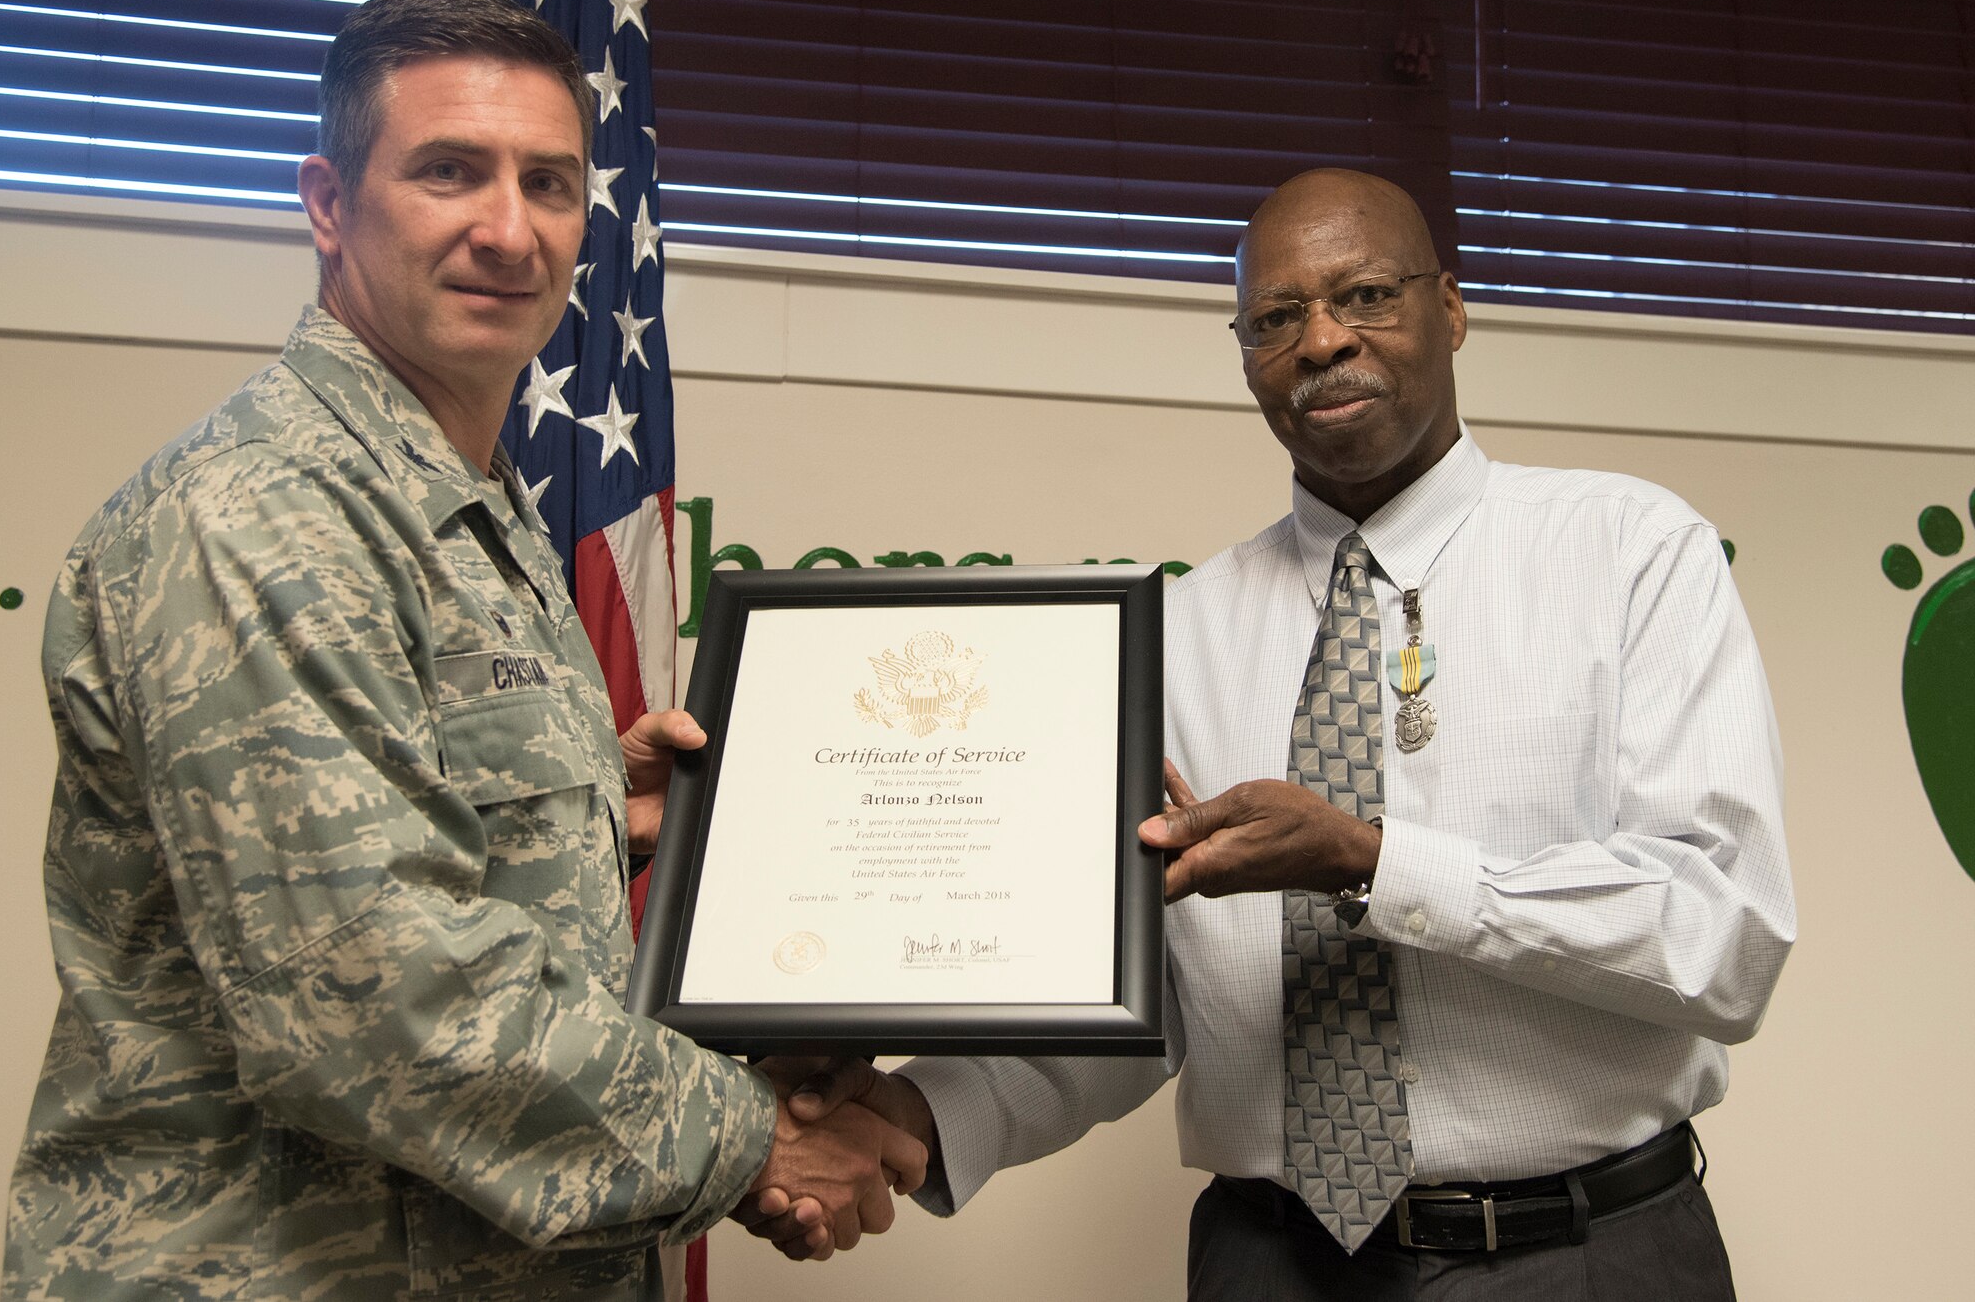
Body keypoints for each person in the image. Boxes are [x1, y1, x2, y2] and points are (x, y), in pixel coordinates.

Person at [3, 0, 922, 1299]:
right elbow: (382, 1013)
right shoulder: (266, 517)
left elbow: (412, 852)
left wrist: (592, 811)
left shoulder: (465, 502)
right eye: (449, 171)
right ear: (328, 203)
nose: (509, 229)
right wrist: (760, 1131)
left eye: (550, 182)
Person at [765, 168, 1796, 1300]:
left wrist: (1373, 861)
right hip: (1268, 1261)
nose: (1319, 341)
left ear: (1448, 309)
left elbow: (1716, 937)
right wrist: (907, 1112)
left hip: (1579, 1254)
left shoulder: (1629, 554)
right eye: (1274, 318)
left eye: (1363, 295)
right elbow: (1128, 986)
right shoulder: (1174, 630)